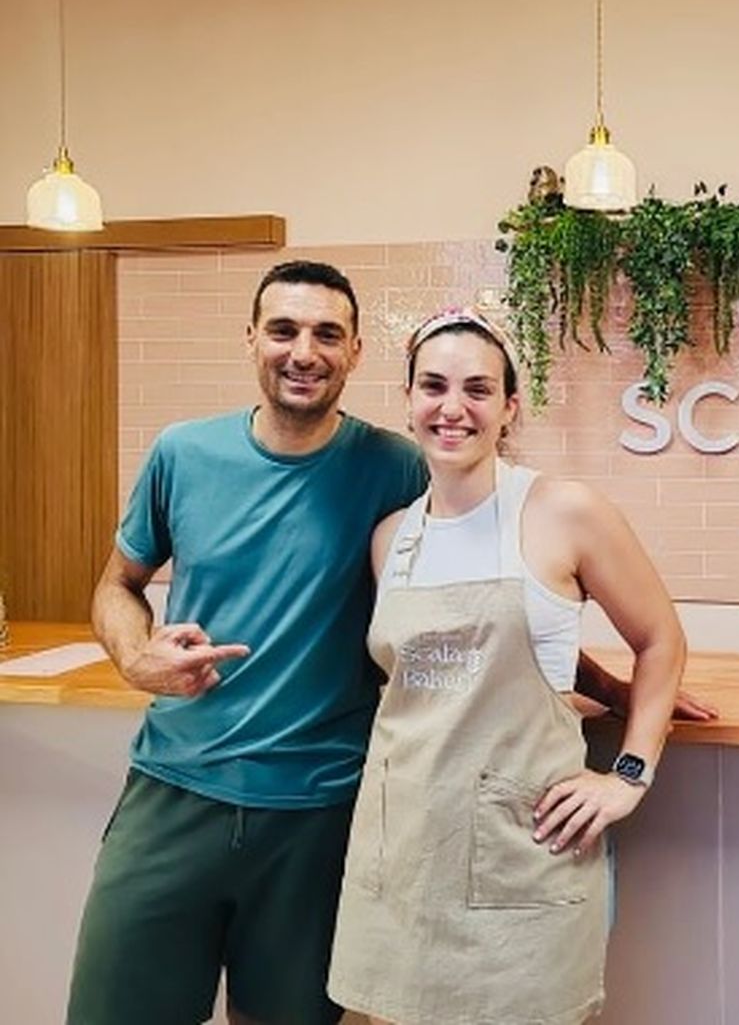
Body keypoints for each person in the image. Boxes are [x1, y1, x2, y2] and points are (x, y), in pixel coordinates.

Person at [69, 262, 705, 1025]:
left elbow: (514, 617)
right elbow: (116, 584)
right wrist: (137, 657)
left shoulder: (404, 472)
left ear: (357, 353)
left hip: (319, 809)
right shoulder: (196, 458)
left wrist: (625, 714)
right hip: (181, 788)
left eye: (326, 333)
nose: (303, 351)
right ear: (252, 340)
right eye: (283, 329)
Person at [325, 307, 687, 1025]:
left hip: (522, 861)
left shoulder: (564, 511)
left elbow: (661, 640)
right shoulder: (390, 539)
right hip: (400, 862)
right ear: (408, 400)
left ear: (509, 405)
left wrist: (630, 774)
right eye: (432, 385)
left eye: (478, 389)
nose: (452, 407)